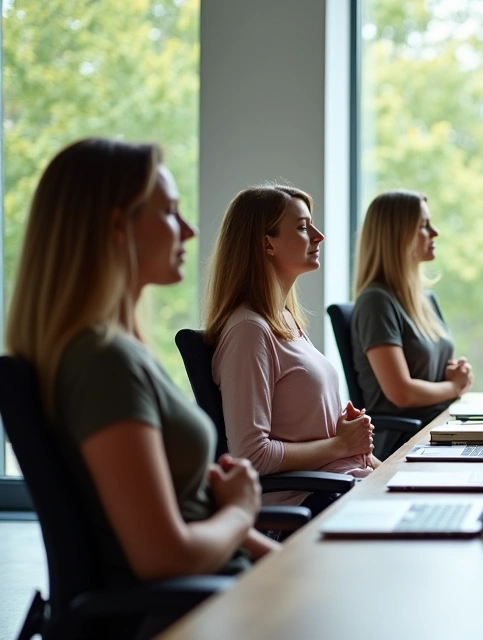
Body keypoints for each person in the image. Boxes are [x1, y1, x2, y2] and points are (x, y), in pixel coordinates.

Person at [5, 139, 277, 592]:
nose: (189, 230)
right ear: (118, 227)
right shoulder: (103, 364)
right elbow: (164, 557)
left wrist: (292, 562)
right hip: (198, 612)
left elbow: (191, 514)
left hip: (226, 591)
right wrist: (239, 508)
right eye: (170, 212)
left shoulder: (118, 351)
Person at [203, 184, 375, 512]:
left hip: (345, 487)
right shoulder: (248, 331)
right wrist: (340, 444)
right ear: (267, 243)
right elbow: (251, 456)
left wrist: (369, 456)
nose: (318, 236)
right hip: (313, 503)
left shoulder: (285, 320)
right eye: (302, 227)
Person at [351, 190, 472, 454]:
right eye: (424, 226)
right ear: (397, 237)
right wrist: (453, 386)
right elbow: (401, 393)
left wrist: (452, 374)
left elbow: (426, 373)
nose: (435, 232)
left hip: (440, 425)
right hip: (408, 442)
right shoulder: (376, 302)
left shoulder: (424, 299)